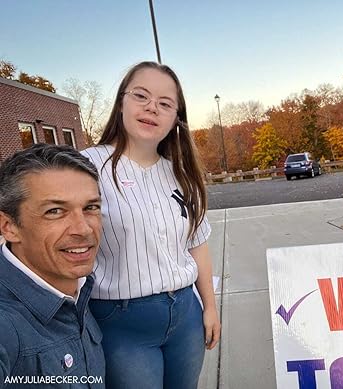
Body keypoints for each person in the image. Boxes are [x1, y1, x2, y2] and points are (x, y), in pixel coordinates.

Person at [81, 61, 220, 389]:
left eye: (164, 103)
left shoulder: (181, 174)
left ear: (176, 119)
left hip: (185, 316)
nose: (151, 108)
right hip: (121, 323)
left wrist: (210, 307)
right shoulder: (87, 166)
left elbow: (196, 244)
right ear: (121, 103)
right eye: (141, 96)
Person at [0, 144, 105, 387]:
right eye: (55, 211)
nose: (83, 229)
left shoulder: (81, 289)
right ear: (9, 227)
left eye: (90, 207)